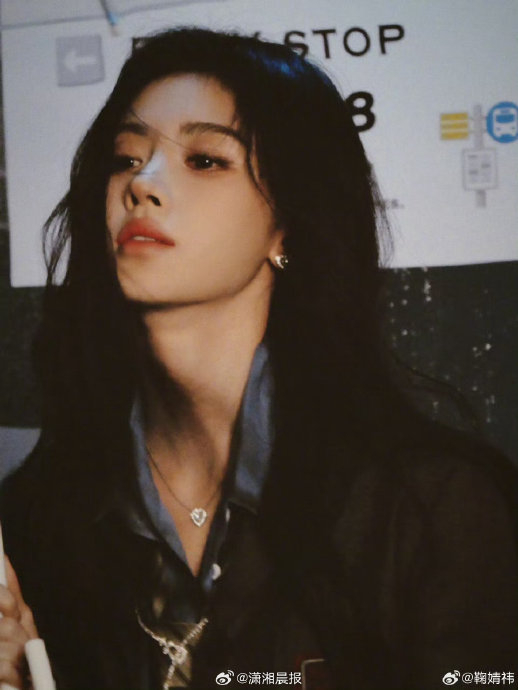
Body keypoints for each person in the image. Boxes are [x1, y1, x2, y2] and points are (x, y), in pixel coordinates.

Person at [0, 27, 517, 690]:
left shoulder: (435, 508)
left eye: (205, 159)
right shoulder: (41, 514)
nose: (142, 185)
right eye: (125, 157)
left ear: (286, 226)